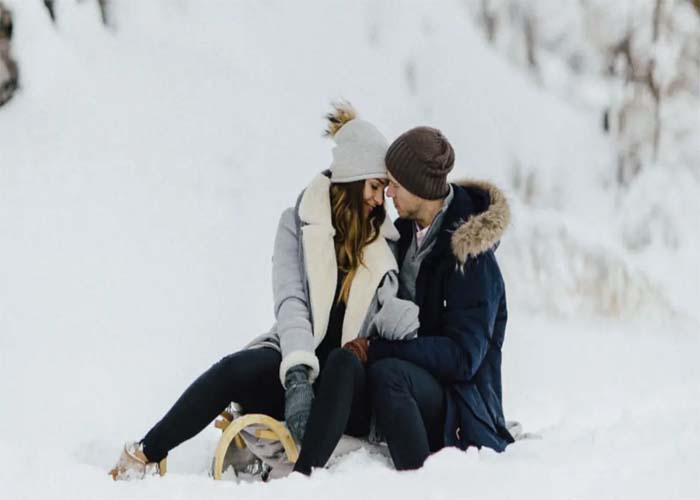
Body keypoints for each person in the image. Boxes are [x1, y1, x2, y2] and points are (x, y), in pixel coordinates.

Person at [109, 104, 420, 480]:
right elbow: (291, 301)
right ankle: (145, 452)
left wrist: (398, 313)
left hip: (348, 386)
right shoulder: (298, 224)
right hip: (298, 361)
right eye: (374, 187)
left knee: (342, 363)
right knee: (236, 368)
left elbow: (398, 316)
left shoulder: (388, 244)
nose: (379, 200)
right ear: (352, 179)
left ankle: (302, 482)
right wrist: (298, 376)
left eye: (384, 190)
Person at [365, 126, 515, 470]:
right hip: (419, 386)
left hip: (463, 407)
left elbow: (463, 358)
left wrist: (379, 350)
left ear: (420, 188)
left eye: (396, 185)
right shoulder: (402, 234)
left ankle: (420, 481)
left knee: (388, 372)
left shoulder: (471, 257)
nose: (388, 192)